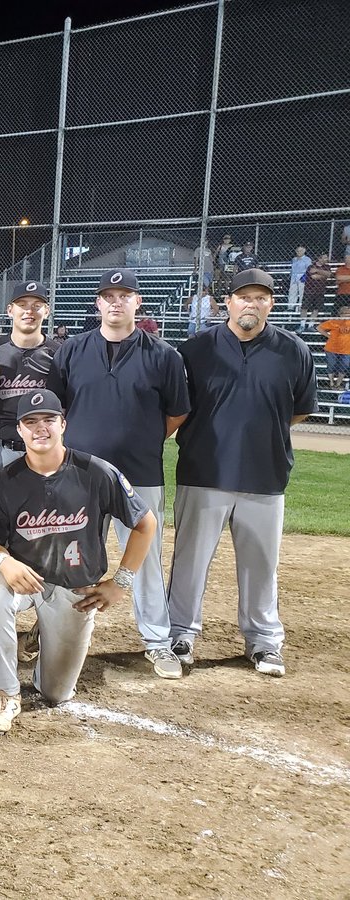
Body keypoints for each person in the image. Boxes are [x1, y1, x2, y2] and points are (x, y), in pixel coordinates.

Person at [0, 391, 156, 733]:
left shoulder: (97, 472)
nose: (40, 428)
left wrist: (121, 582)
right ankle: (6, 691)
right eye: (31, 422)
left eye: (48, 420)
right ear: (20, 430)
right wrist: (3, 562)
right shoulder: (3, 480)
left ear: (63, 424)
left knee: (56, 693)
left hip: (74, 587)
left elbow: (146, 524)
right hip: (24, 581)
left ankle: (44, 630)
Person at [168, 269, 317, 677]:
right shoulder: (196, 349)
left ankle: (264, 642)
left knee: (261, 564)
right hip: (203, 471)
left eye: (260, 297)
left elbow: (299, 409)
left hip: (265, 474)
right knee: (189, 561)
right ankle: (180, 634)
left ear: (271, 303)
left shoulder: (294, 350)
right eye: (243, 296)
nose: (251, 304)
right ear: (228, 302)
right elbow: (179, 407)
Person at [48, 268, 190, 680]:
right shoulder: (71, 350)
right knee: (69, 556)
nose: (116, 302)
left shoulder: (163, 355)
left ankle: (157, 641)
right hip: (80, 474)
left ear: (137, 302)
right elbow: (56, 411)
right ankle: (49, 629)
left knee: (145, 560)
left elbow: (177, 412)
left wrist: (141, 440)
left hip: (140, 472)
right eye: (108, 296)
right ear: (97, 304)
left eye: (124, 295)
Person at [0, 281, 61, 474]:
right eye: (22, 305)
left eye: (37, 306)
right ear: (10, 310)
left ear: (47, 311)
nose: (29, 311)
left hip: (43, 447)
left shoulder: (59, 353)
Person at [319, 304, 350, 391]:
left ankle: (338, 384)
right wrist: (329, 336)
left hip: (346, 350)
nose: (347, 315)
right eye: (345, 314)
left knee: (344, 366)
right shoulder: (334, 321)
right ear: (340, 314)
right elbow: (319, 328)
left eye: (349, 314)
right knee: (331, 365)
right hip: (331, 348)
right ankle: (331, 383)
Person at [300, 253, 333, 332]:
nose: (326, 259)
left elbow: (329, 275)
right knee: (305, 308)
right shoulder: (311, 266)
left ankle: (311, 325)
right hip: (309, 291)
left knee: (316, 309)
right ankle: (302, 325)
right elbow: (314, 276)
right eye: (324, 258)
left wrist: (318, 271)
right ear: (319, 258)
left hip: (320, 291)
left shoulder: (327, 267)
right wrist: (324, 274)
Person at [288, 246, 312, 311]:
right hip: (294, 277)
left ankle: (300, 307)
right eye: (297, 251)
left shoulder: (307, 259)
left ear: (304, 251)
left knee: (302, 293)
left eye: (300, 251)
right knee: (292, 292)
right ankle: (291, 307)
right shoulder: (294, 259)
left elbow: (309, 269)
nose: (298, 252)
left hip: (302, 277)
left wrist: (305, 276)